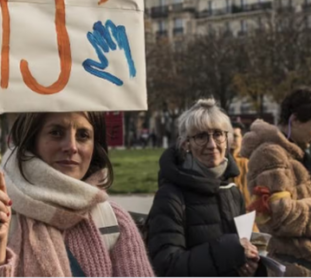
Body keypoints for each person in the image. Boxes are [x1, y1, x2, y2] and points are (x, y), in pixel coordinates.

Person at [0, 112, 154, 277]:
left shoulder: (115, 222)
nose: (71, 146)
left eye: (83, 135)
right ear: (32, 140)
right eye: (56, 132)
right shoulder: (6, 215)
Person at [146, 99, 266, 277]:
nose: (212, 145)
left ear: (227, 139)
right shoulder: (170, 196)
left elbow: (240, 250)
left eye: (218, 134)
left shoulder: (233, 191)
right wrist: (227, 250)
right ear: (186, 144)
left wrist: (252, 266)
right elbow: (165, 265)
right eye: (201, 137)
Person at [241, 87, 311, 276]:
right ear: (294, 120)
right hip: (292, 268)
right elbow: (279, 216)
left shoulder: (295, 155)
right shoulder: (270, 155)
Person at [230, 122, 259, 233]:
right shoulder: (219, 163)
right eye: (230, 136)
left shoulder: (249, 162)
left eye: (236, 136)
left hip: (249, 215)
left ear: (242, 139)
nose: (232, 139)